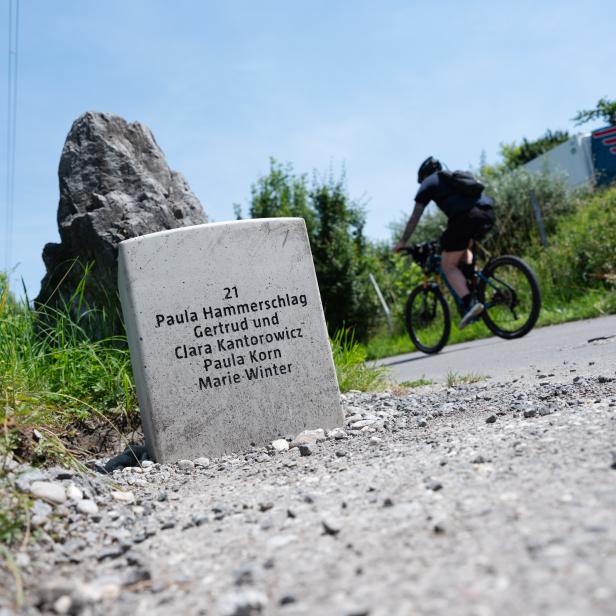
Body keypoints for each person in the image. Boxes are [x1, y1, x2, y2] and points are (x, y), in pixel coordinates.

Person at [393, 156, 495, 329]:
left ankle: (470, 302)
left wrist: (403, 241)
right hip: (487, 212)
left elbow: (415, 216)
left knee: (448, 266)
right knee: (462, 248)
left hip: (465, 218)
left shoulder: (429, 182)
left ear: (423, 175)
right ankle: (476, 285)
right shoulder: (454, 179)